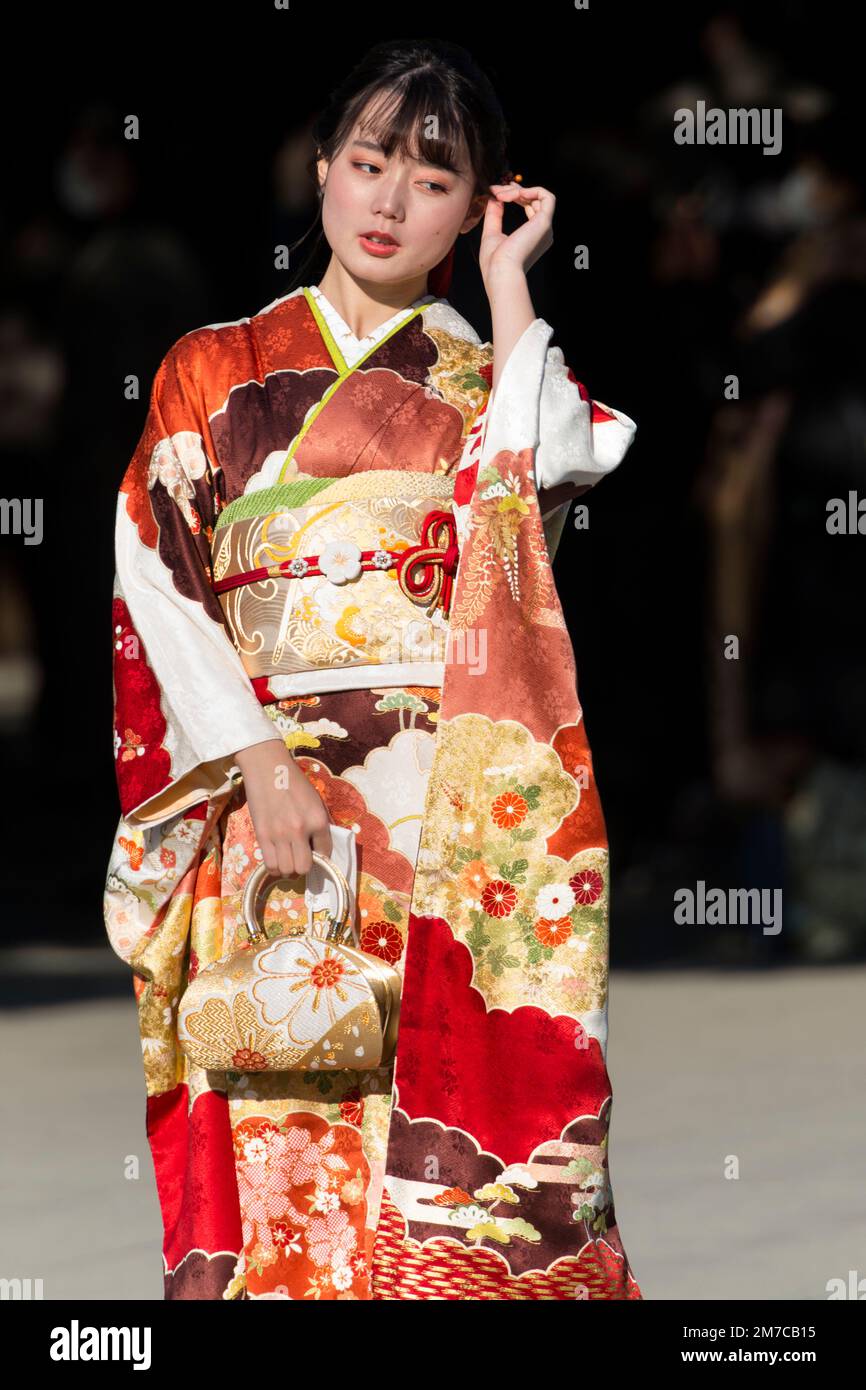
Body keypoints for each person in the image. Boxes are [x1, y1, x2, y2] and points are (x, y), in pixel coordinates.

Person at [103, 37, 642, 1301]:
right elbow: (155, 578)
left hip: (449, 823)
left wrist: (511, 292)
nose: (391, 203)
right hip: (276, 808)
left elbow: (545, 468)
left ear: (482, 204)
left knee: (455, 1183)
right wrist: (254, 760)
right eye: (368, 163)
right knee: (289, 1138)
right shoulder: (209, 366)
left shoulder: (482, 375)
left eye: (435, 180)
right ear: (320, 171)